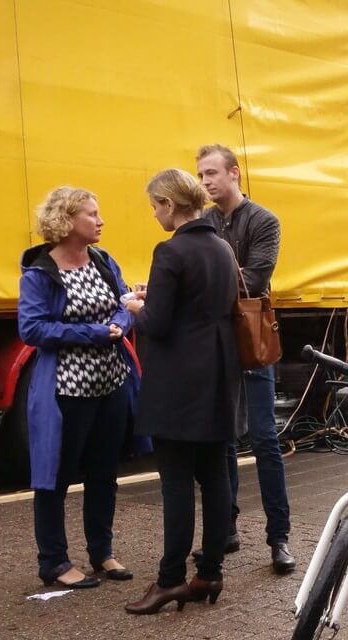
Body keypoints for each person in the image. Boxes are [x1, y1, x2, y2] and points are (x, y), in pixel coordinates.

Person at [124, 169, 240, 614]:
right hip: (217, 373)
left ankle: (170, 579)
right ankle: (209, 573)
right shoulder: (221, 247)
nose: (155, 214)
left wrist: (137, 306)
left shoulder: (170, 249)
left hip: (177, 380)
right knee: (213, 476)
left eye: (155, 206)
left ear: (170, 205)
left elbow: (157, 322)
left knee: (175, 483)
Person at [18, 186, 138, 589]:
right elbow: (32, 328)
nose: (100, 220)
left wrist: (124, 321)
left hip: (111, 383)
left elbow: (125, 302)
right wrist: (94, 332)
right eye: (92, 214)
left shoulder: (103, 261)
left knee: (104, 472)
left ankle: (101, 553)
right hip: (67, 389)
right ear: (67, 222)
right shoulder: (39, 273)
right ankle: (53, 561)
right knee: (58, 474)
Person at [196, 144, 294, 574]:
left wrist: (210, 277)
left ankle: (280, 538)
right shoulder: (205, 221)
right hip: (217, 340)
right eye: (201, 175)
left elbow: (256, 277)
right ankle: (226, 530)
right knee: (222, 440)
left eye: (213, 173)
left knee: (265, 438)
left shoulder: (264, 220)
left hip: (251, 337)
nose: (206, 182)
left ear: (235, 173)